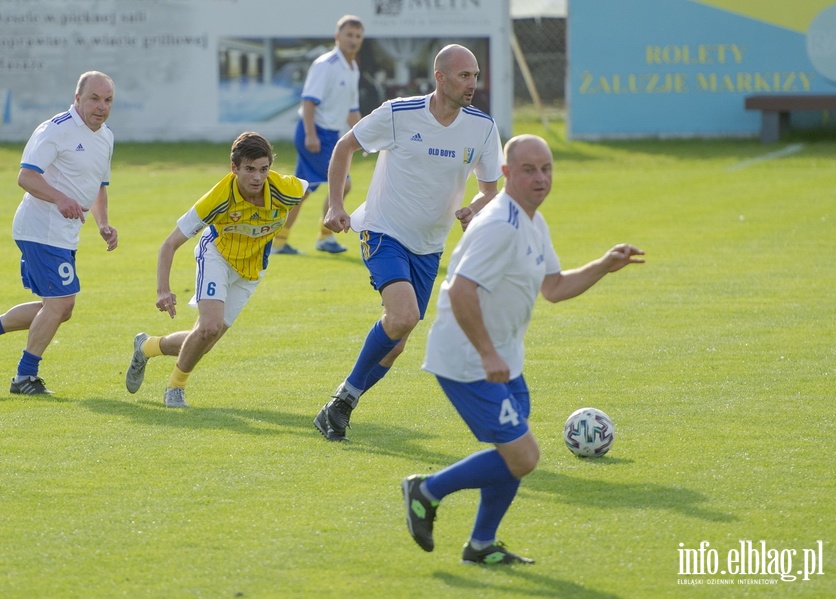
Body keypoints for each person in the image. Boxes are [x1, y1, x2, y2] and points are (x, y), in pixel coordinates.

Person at [401, 134, 645, 564]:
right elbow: (460, 290)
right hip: (468, 360)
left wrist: (604, 266)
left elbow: (553, 287)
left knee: (514, 449)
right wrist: (488, 353)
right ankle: (427, 490)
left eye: (547, 168)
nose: (540, 177)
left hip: (503, 358)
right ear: (508, 174)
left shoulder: (532, 220)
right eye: (529, 169)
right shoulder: (499, 225)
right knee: (524, 456)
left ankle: (481, 545)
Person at [312, 44, 504, 441]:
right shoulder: (399, 113)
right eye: (464, 75)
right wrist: (335, 205)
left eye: (476, 76)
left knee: (396, 343)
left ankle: (340, 403)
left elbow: (490, 189)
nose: (472, 84)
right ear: (441, 77)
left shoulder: (482, 127)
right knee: (403, 317)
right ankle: (342, 402)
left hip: (429, 246)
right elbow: (345, 146)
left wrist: (474, 207)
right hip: (383, 229)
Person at [0, 71, 118, 394]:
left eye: (108, 100)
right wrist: (60, 198)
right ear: (77, 98)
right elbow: (26, 177)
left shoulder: (106, 137)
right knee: (59, 304)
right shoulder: (55, 130)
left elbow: (98, 186)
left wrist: (103, 224)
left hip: (64, 232)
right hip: (40, 229)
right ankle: (24, 378)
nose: (101, 107)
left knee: (59, 307)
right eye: (94, 99)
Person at [124, 132, 307, 408]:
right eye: (249, 169)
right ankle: (175, 389)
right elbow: (169, 244)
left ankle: (146, 346)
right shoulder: (218, 199)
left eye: (264, 169)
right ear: (234, 168)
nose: (257, 177)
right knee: (209, 327)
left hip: (252, 268)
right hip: (217, 256)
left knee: (204, 340)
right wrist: (163, 289)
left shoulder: (286, 189)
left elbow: (306, 190)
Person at [272, 14, 364, 256]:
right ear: (337, 37)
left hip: (332, 136)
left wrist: (366, 136)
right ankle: (326, 236)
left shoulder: (353, 68)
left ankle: (278, 242)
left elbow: (352, 111)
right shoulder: (326, 64)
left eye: (357, 36)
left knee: (302, 190)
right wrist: (311, 135)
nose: (353, 40)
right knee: (344, 183)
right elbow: (309, 102)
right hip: (314, 133)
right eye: (348, 35)